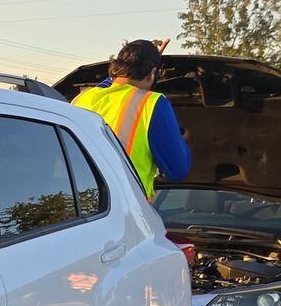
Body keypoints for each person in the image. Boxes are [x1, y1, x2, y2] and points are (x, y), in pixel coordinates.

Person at [71, 39, 191, 198]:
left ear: (116, 67)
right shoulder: (151, 103)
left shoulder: (82, 98)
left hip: (74, 207)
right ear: (153, 74)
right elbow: (177, 170)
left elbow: (113, 84)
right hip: (124, 211)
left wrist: (148, 61)